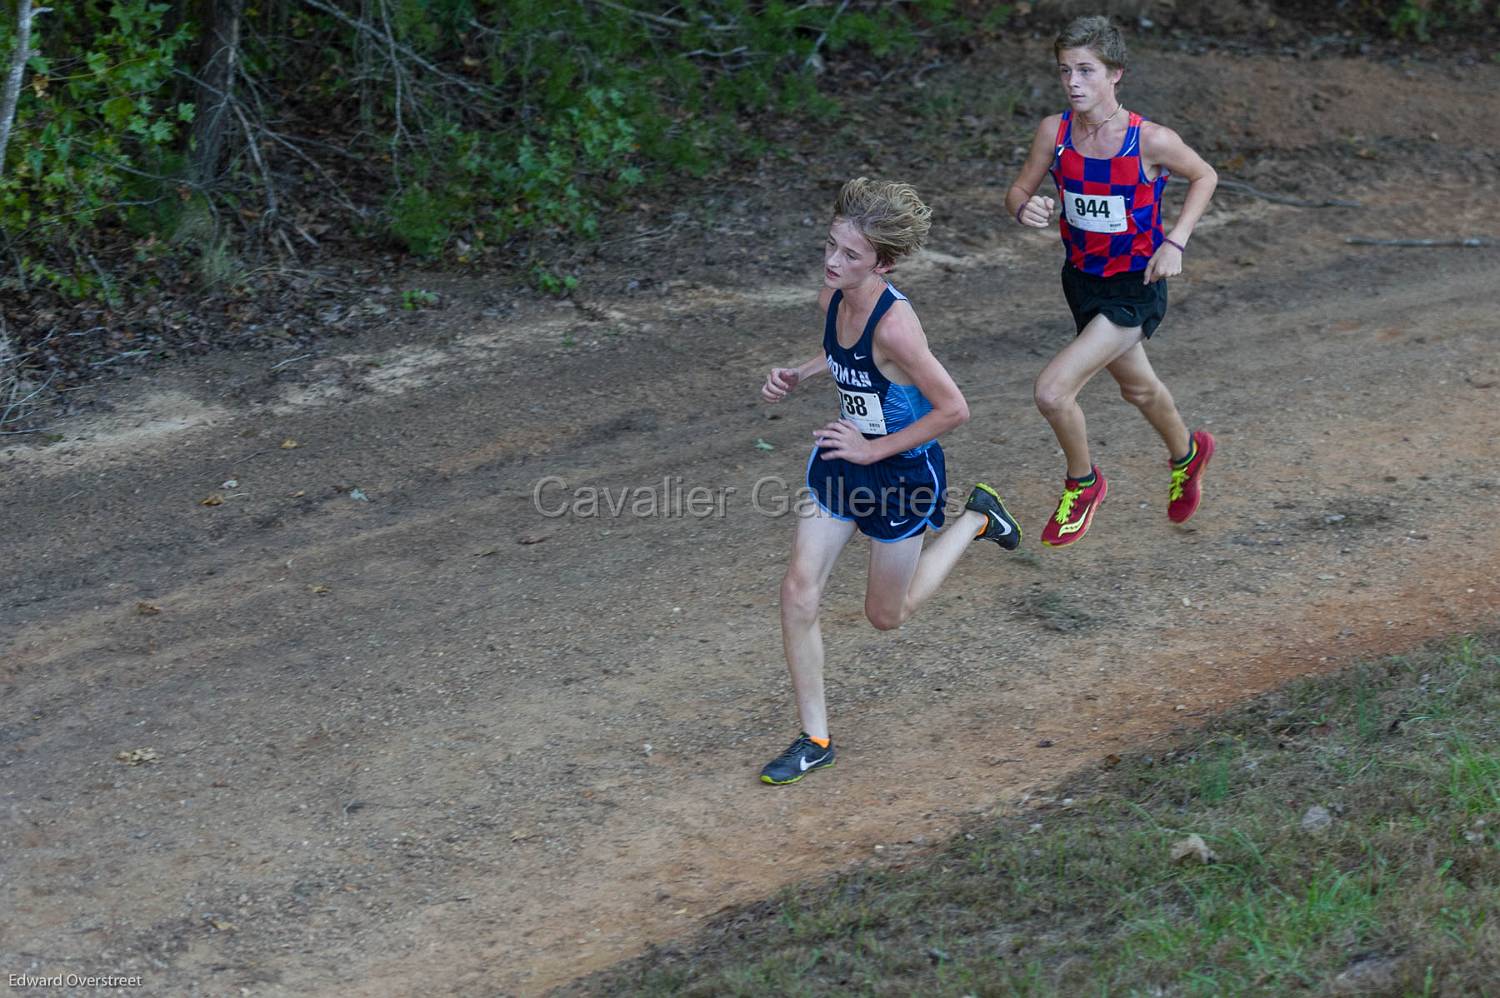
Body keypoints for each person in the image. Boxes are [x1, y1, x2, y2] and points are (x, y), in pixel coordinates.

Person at [756, 177, 1021, 786]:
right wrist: (798, 373)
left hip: (900, 473)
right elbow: (844, 355)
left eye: (850, 255)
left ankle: (979, 518)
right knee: (799, 590)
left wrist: (873, 448)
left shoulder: (898, 324)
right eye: (831, 245)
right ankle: (815, 737)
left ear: (885, 261)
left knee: (886, 616)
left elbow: (953, 410)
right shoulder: (833, 295)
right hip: (844, 459)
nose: (832, 261)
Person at [1003, 15, 1218, 547]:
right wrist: (1024, 208)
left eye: (1085, 70)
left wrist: (1176, 241)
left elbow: (1205, 175)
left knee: (1053, 392)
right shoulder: (1055, 132)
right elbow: (1017, 192)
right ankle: (1188, 454)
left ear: (1115, 74)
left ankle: (1084, 482)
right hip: (1081, 282)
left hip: (1135, 286)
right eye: (1064, 71)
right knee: (1137, 388)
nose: (1073, 82)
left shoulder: (1150, 139)